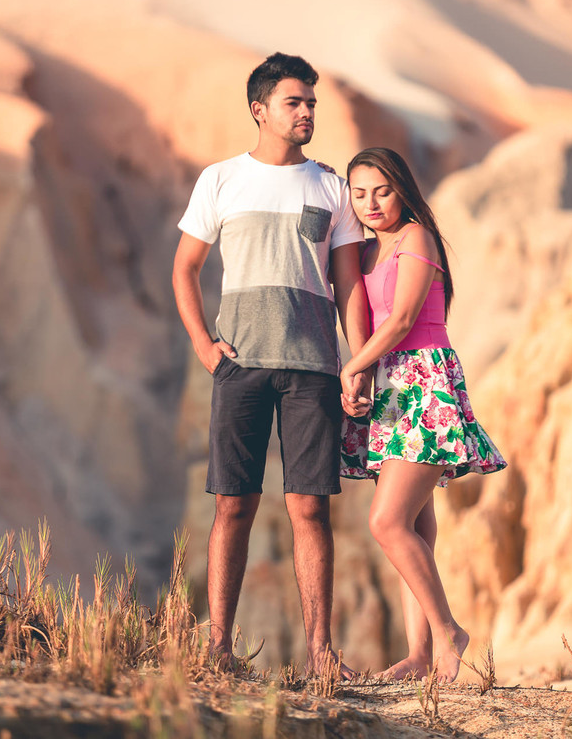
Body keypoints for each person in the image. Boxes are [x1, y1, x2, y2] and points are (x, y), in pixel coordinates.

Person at [172, 52, 371, 675]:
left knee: (310, 507)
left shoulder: (332, 186)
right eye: (295, 102)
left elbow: (350, 288)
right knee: (233, 503)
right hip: (242, 367)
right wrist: (206, 347)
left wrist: (357, 362)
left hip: (313, 367)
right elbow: (184, 268)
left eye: (311, 102)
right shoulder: (221, 179)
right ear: (260, 110)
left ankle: (320, 652)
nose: (308, 111)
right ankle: (217, 649)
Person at [339, 147, 506, 683]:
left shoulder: (417, 237)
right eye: (359, 194)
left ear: (402, 188)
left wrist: (353, 367)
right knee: (412, 526)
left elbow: (405, 317)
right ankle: (419, 654)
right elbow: (362, 319)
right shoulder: (365, 251)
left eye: (381, 191)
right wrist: (363, 375)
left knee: (386, 522)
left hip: (423, 381)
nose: (371, 204)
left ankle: (447, 631)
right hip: (389, 386)